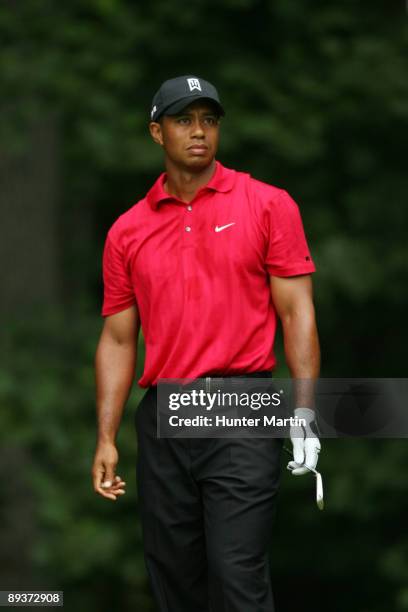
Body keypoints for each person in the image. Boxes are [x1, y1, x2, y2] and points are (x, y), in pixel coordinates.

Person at [92, 75, 321, 612]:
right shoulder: (128, 230)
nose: (199, 132)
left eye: (209, 121)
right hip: (165, 413)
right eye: (183, 120)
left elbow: (298, 313)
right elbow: (119, 339)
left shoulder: (268, 204)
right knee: (175, 577)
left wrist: (306, 413)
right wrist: (106, 436)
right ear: (157, 132)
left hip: (242, 407)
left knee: (235, 571)